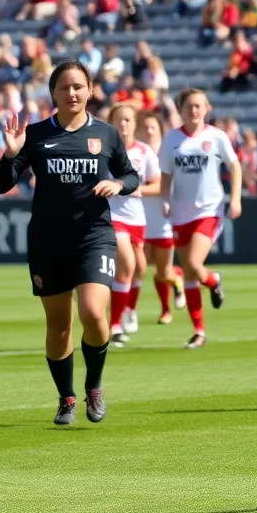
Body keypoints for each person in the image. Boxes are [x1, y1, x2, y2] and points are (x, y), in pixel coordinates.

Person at [0, 61, 140, 425]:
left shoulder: (105, 134)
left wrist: (119, 185)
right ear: (53, 93)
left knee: (93, 313)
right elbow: (1, 184)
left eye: (78, 86)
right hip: (48, 241)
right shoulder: (36, 134)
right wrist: (11, 154)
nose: (72, 93)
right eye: (64, 87)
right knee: (59, 326)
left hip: (94, 236)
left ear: (90, 90)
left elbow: (130, 175)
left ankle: (94, 388)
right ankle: (66, 397)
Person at [159, 89, 243, 349]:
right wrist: (164, 199)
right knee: (190, 277)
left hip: (209, 209)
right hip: (180, 211)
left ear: (206, 108)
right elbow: (166, 174)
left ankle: (213, 280)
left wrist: (236, 198)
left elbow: (235, 166)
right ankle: (199, 332)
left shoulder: (216, 136)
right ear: (180, 109)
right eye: (189, 106)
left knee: (194, 264)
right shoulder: (172, 138)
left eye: (198, 106)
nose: (194, 111)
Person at [106, 105, 162, 347]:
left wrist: (138, 189)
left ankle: (129, 308)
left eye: (128, 120)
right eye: (119, 120)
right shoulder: (102, 150)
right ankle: (114, 325)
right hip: (112, 215)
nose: (124, 124)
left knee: (139, 267)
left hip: (137, 218)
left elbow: (158, 185)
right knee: (126, 263)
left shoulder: (144, 151)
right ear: (111, 123)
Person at [138, 112, 184, 324]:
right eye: (145, 127)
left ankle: (177, 279)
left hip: (164, 214)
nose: (148, 131)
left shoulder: (168, 152)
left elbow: (170, 184)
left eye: (152, 127)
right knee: (141, 266)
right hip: (140, 216)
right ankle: (165, 310)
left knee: (163, 270)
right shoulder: (135, 152)